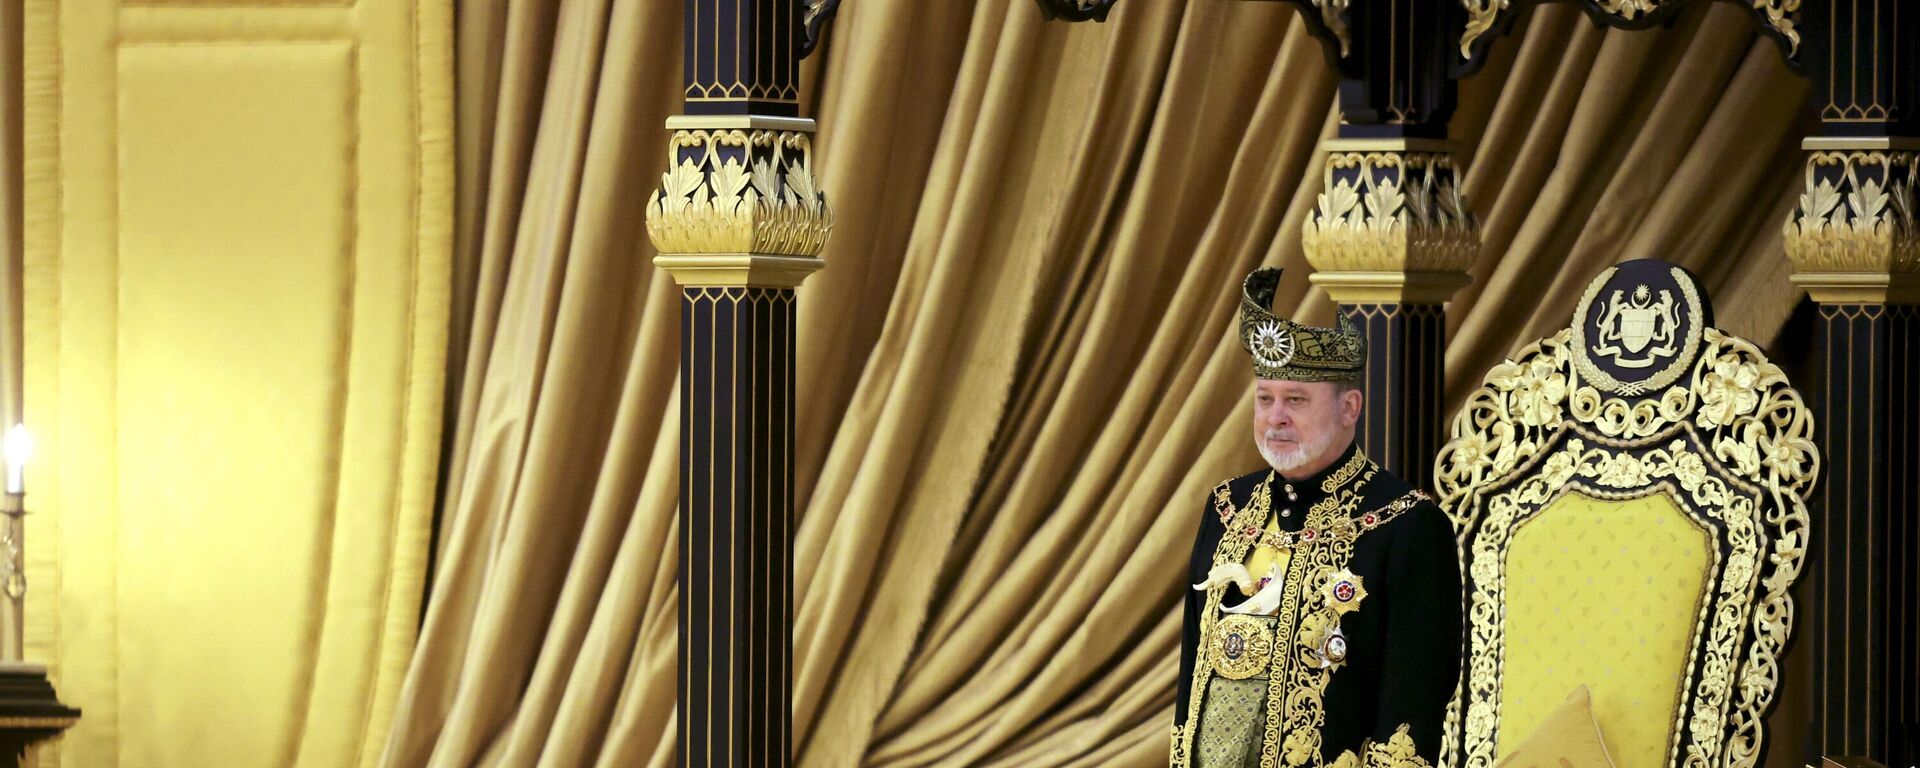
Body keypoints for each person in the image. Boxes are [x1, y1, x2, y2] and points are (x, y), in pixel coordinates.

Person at [1171, 268, 1462, 768]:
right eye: (1265, 399)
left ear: (1350, 407)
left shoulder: (1406, 526)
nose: (1275, 417)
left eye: (1296, 400)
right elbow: (1192, 676)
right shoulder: (1226, 507)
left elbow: (1411, 710)